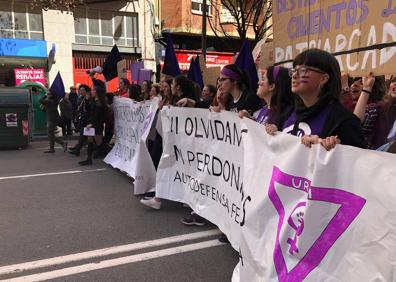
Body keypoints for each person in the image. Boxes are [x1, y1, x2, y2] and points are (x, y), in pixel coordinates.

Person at [266, 48, 366, 150]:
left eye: (303, 70)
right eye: (294, 70)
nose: (295, 75)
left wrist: (334, 149)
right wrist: (275, 131)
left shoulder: (345, 122)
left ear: (323, 79)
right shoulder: (289, 113)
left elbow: (357, 161)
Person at [140, 75, 197, 210]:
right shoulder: (175, 99)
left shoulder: (186, 100)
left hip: (183, 144)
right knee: (167, 167)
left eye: (172, 85)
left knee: (180, 170)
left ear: (178, 87)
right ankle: (158, 198)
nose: (170, 87)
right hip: (174, 142)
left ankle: (162, 197)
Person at [79, 85, 108, 165]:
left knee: (100, 144)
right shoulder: (94, 101)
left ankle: (111, 155)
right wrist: (87, 100)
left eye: (93, 90)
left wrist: (92, 124)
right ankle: (88, 159)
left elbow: (99, 117)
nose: (91, 92)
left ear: (97, 92)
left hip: (96, 126)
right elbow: (90, 112)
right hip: (91, 124)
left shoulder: (99, 103)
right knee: (90, 141)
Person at [69, 84, 92, 156]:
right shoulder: (83, 98)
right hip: (84, 120)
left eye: (82, 90)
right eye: (80, 90)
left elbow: (90, 110)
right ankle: (78, 149)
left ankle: (79, 150)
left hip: (89, 121)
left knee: (87, 137)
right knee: (83, 136)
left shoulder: (89, 98)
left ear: (86, 91)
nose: (81, 91)